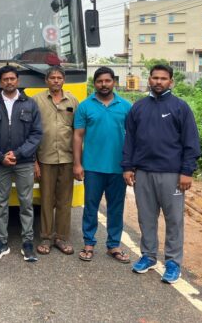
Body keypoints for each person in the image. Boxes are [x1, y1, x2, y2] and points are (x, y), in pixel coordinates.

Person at [122, 64, 201, 284]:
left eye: (163, 78)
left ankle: (173, 262)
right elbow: (129, 140)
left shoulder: (180, 107)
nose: (158, 81)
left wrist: (187, 171)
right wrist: (127, 167)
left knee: (174, 220)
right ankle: (148, 256)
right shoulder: (138, 108)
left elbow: (191, 142)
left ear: (171, 82)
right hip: (143, 173)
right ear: (149, 80)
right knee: (146, 218)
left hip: (172, 174)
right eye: (155, 78)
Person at [0, 65, 43, 262]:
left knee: (26, 203)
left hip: (24, 162)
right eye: (5, 79)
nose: (9, 82)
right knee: (1, 203)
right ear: (1, 82)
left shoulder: (30, 104)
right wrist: (0, 157)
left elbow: (36, 134)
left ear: (17, 80)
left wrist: (18, 153)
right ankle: (1, 242)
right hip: (1, 163)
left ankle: (27, 243)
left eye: (12, 79)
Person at [73, 67, 132, 263]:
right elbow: (78, 136)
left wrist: (131, 166)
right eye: (100, 81)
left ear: (113, 82)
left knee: (116, 208)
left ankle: (113, 246)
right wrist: (77, 164)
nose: (104, 85)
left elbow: (133, 138)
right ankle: (89, 244)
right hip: (92, 167)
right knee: (90, 207)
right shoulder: (85, 106)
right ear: (94, 83)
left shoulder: (126, 106)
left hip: (118, 168)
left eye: (107, 81)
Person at [33, 66, 79, 256]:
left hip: (67, 158)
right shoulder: (36, 100)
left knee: (64, 200)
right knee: (46, 199)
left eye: (59, 77)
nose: (56, 81)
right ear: (46, 80)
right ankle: (46, 237)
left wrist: (78, 162)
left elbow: (79, 132)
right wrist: (34, 162)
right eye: (52, 77)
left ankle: (61, 237)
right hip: (45, 157)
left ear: (64, 80)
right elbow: (32, 132)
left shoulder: (73, 100)